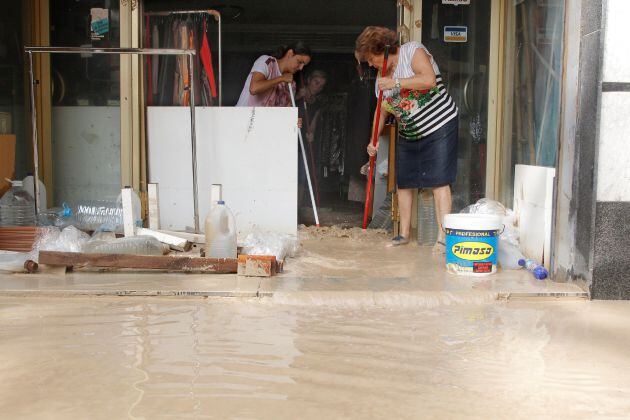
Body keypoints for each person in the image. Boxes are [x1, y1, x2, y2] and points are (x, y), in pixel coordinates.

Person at [355, 26, 459, 252]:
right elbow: (381, 111)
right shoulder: (380, 80)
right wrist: (373, 140)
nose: (370, 65)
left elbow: (429, 79)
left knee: (439, 181)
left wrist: (397, 83)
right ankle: (403, 234)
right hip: (410, 132)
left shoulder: (412, 52)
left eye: (371, 59)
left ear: (381, 50)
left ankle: (443, 237)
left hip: (439, 124)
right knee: (404, 181)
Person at [236, 42, 312, 107]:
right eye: (299, 62)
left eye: (304, 65)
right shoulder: (267, 61)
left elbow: (286, 114)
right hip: (242, 119)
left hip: (264, 123)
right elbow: (254, 88)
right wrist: (281, 78)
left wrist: (293, 120)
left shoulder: (292, 85)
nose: (301, 68)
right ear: (290, 53)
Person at [295, 70, 328, 206]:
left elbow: (312, 125)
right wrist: (297, 96)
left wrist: (311, 134)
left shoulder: (317, 104)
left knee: (302, 174)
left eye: (321, 85)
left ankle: (298, 206)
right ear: (308, 80)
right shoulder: (296, 92)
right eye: (316, 82)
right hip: (288, 139)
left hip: (303, 142)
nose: (318, 87)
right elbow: (284, 108)